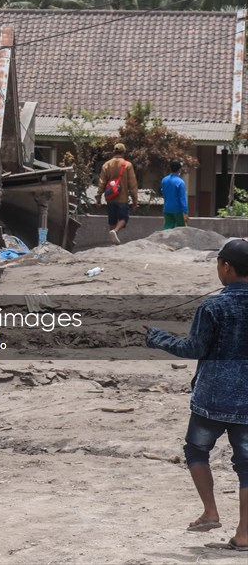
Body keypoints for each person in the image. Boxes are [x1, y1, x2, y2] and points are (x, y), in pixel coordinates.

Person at [145, 238, 248, 552]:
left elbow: (194, 348)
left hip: (212, 398)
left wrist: (158, 338)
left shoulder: (213, 306)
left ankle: (211, 511)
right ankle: (244, 534)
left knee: (196, 450)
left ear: (225, 266)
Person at [96, 143, 139, 245]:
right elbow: (132, 184)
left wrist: (98, 197)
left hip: (110, 197)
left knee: (112, 220)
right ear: (124, 152)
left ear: (113, 152)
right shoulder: (127, 165)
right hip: (122, 198)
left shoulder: (106, 165)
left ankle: (113, 241)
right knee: (124, 218)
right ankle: (115, 232)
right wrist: (135, 201)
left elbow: (101, 182)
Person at [161, 160, 189, 230]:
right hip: (178, 209)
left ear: (170, 168)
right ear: (179, 169)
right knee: (181, 229)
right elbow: (182, 198)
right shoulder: (180, 182)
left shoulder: (164, 180)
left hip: (167, 208)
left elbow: (163, 192)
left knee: (168, 227)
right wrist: (185, 211)